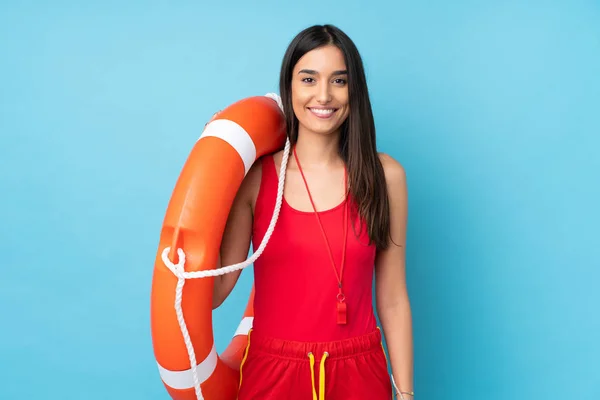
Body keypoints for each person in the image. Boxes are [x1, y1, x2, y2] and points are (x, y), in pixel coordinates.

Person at [213, 24, 413, 400]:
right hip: (272, 371)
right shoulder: (255, 179)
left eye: (339, 80)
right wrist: (210, 176)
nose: (324, 95)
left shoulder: (386, 177)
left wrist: (405, 395)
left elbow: (393, 298)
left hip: (359, 372)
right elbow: (217, 290)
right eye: (309, 79)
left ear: (355, 90)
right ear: (289, 86)